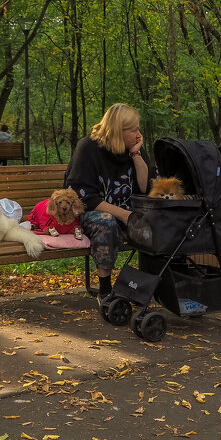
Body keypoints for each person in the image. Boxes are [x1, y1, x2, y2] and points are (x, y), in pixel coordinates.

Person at [63, 103, 154, 302]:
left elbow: (145, 187)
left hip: (128, 214)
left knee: (163, 220)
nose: (139, 134)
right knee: (106, 221)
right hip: (90, 213)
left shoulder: (132, 148)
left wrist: (136, 154)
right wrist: (122, 214)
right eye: (134, 130)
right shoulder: (88, 148)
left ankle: (153, 285)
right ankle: (105, 290)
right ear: (118, 131)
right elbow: (84, 197)